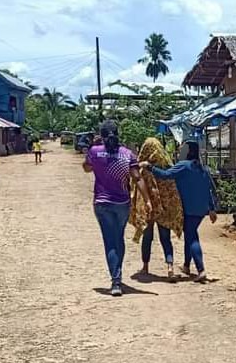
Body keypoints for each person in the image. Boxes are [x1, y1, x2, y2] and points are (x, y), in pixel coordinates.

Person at [84, 120, 151, 297]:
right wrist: (147, 200)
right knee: (118, 238)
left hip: (102, 203)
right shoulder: (128, 154)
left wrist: (93, 147)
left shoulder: (95, 152)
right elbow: (137, 177)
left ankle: (116, 281)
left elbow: (86, 168)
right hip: (122, 204)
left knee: (109, 241)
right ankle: (118, 275)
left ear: (102, 135)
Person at [142, 141, 218, 283]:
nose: (180, 151)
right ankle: (186, 266)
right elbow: (208, 190)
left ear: (188, 152)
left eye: (182, 149)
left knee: (192, 237)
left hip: (187, 208)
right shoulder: (203, 169)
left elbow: (165, 175)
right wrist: (212, 209)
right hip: (201, 210)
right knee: (190, 235)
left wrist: (150, 167)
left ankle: (201, 270)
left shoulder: (183, 166)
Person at [130, 138, 183, 281]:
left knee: (147, 237)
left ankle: (145, 266)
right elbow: (172, 190)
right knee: (165, 238)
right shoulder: (167, 166)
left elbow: (136, 187)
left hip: (148, 209)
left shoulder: (142, 169)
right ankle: (170, 268)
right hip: (164, 209)